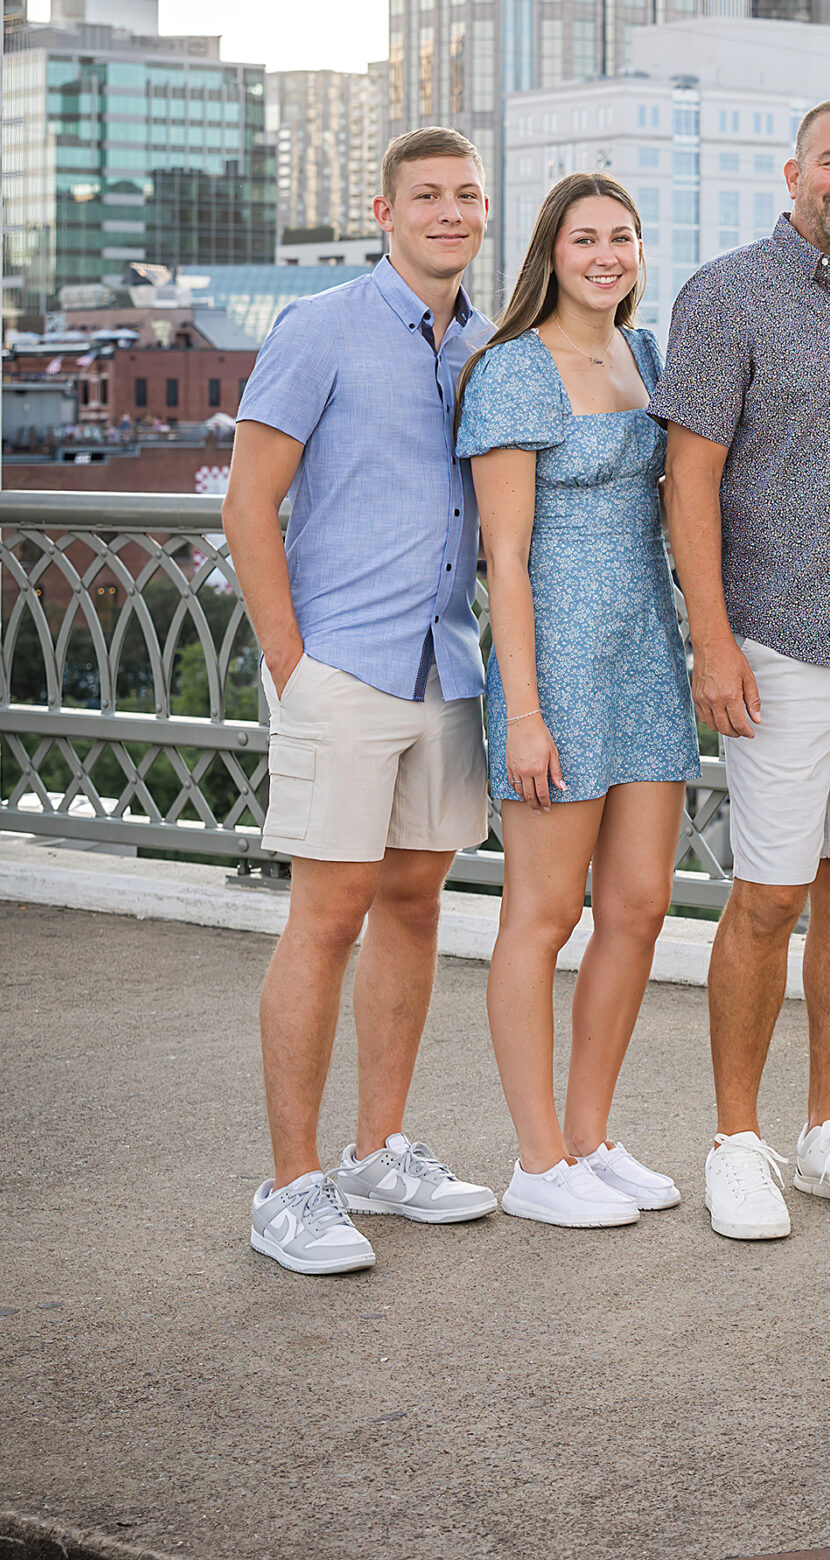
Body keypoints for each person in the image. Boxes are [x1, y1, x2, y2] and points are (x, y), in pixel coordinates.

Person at [653, 99, 830, 1243]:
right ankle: (736, 1141)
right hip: (776, 647)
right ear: (793, 174)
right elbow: (689, 479)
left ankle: (829, 1130)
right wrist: (710, 640)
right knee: (767, 898)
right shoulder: (726, 294)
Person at [226, 129, 499, 1277]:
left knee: (415, 907)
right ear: (383, 211)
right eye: (426, 195)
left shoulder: (490, 345)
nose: (449, 211)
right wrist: (294, 667)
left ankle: (378, 1150)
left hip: (447, 667)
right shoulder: (321, 326)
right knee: (327, 916)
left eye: (466, 194)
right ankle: (289, 1186)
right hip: (345, 667)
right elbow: (249, 503)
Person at [457, 175, 699, 1233]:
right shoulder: (513, 371)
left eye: (622, 237)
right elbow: (503, 560)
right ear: (549, 253)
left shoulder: (646, 360)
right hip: (553, 659)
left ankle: (592, 1137)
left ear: (641, 251)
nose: (605, 254)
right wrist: (523, 711)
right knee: (543, 914)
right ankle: (537, 1156)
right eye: (584, 237)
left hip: (646, 648)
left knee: (640, 906)